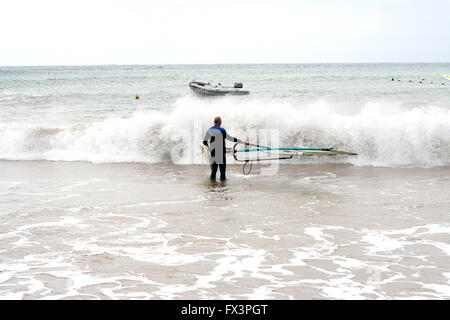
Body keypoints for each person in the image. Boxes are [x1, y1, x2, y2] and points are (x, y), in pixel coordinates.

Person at [203, 116, 245, 181]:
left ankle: (212, 187)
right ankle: (222, 187)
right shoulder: (222, 130)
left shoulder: (209, 130)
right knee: (222, 170)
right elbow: (230, 138)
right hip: (221, 152)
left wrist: (209, 149)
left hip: (213, 152)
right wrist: (240, 141)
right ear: (220, 122)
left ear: (214, 122)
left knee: (214, 170)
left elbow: (204, 142)